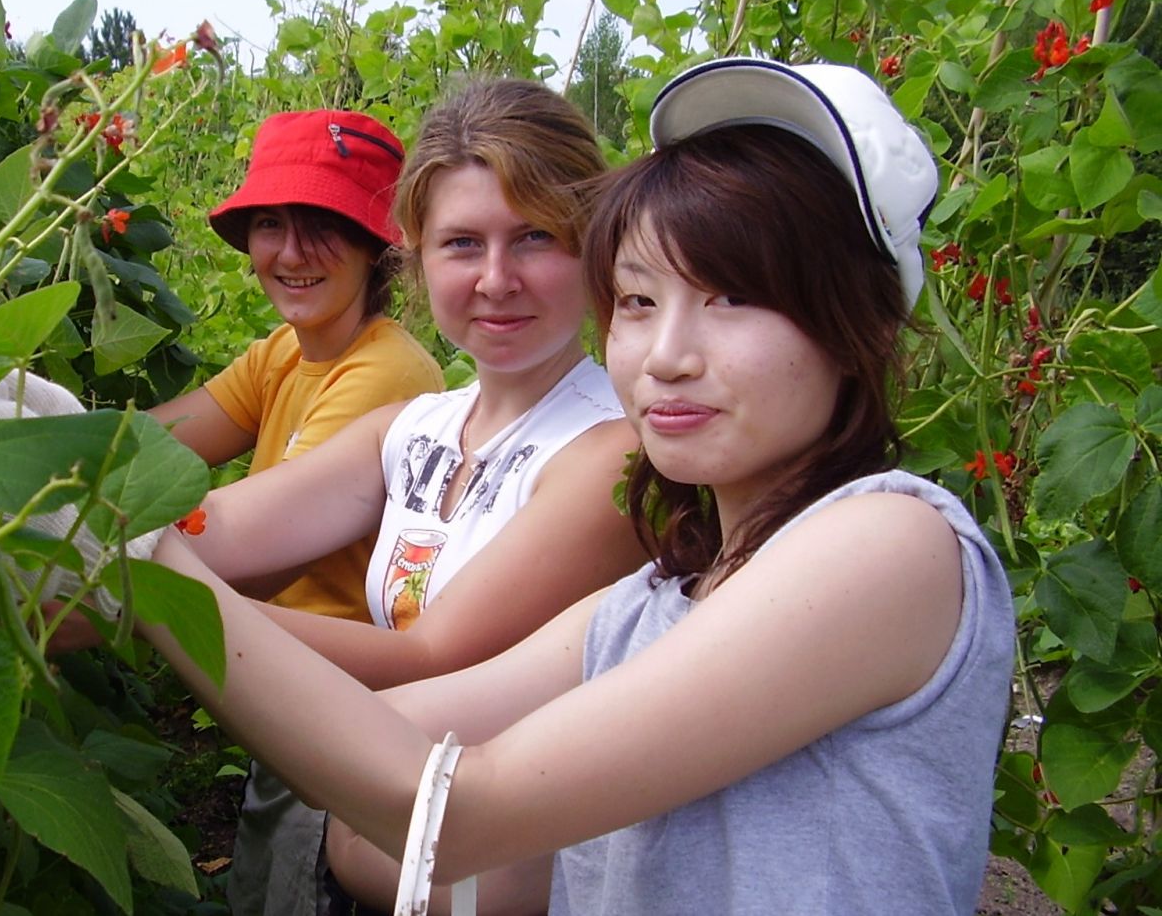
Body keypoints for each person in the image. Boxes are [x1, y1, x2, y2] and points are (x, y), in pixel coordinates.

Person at [139, 57, 1014, 915]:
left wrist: (143, 562)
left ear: (857, 317)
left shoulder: (892, 543)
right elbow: (389, 732)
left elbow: (455, 804)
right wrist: (85, 504)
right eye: (638, 299)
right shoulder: (652, 603)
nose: (667, 355)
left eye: (736, 296)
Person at [135, 79, 647, 914]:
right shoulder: (416, 429)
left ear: (592, 243)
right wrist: (46, 479)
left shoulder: (611, 453)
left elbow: (434, 657)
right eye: (460, 244)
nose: (495, 278)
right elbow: (221, 523)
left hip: (497, 872)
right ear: (415, 253)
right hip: (384, 837)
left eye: (534, 238)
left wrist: (142, 579)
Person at [151, 109, 444, 622]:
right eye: (270, 224)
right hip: (261, 650)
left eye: (322, 226)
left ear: (374, 244)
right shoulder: (282, 352)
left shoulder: (387, 371)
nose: (291, 253)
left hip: (338, 680)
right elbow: (151, 443)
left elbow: (257, 559)